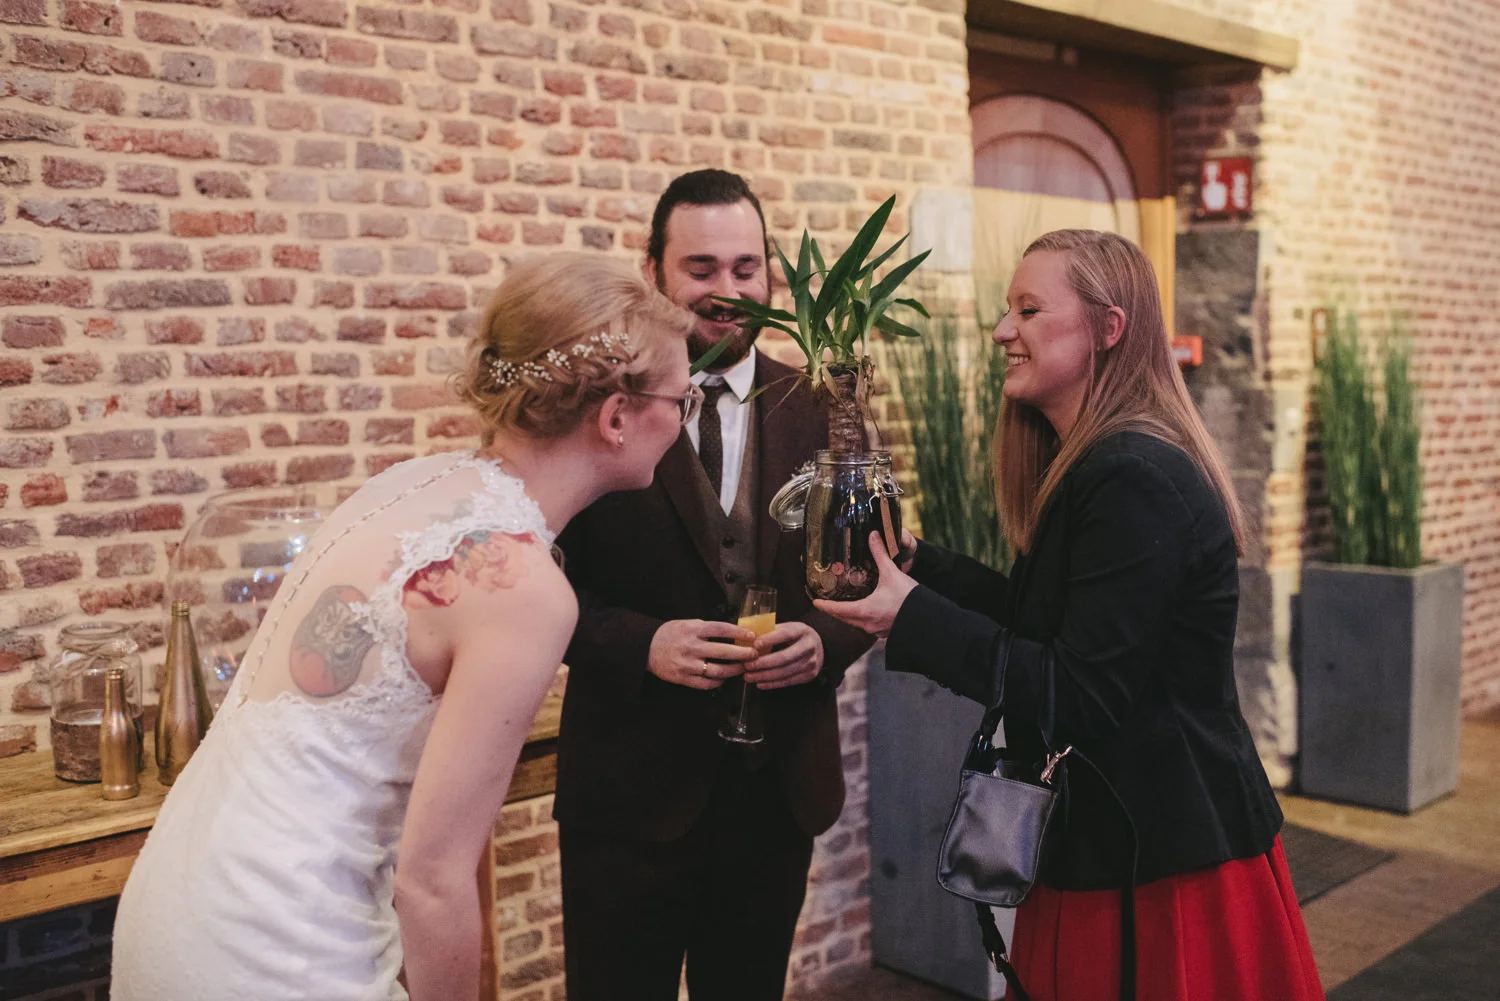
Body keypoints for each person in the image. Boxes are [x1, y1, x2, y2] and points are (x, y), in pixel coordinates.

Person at [110, 252, 697, 1001]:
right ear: (616, 417)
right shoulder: (525, 588)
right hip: (279, 940)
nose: (683, 420)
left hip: (177, 897)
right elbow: (433, 880)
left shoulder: (407, 483)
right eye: (682, 399)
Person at [817, 230, 1324, 1001]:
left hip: (1159, 862)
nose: (1002, 331)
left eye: (1029, 309)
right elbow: (1048, 626)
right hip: (1110, 841)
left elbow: (1078, 690)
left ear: (1108, 328)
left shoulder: (1133, 474)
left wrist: (910, 617)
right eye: (1007, 309)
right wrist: (921, 566)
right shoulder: (1098, 461)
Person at [553, 169, 874, 1000]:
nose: (727, 290)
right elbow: (534, 587)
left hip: (776, 796)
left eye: (745, 267)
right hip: (627, 798)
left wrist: (823, 642)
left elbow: (870, 574)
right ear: (653, 271)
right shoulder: (592, 407)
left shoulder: (824, 409)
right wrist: (642, 644)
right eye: (701, 269)